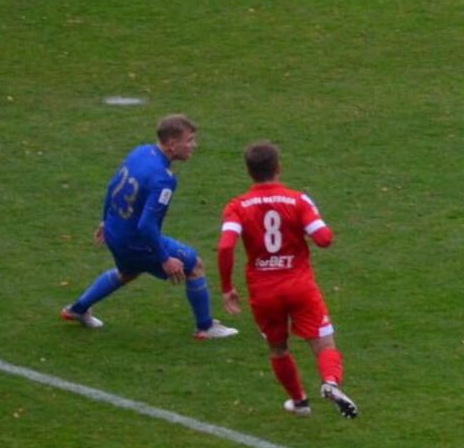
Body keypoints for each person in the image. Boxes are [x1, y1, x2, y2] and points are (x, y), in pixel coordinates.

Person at [60, 114, 240, 340]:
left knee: (127, 272)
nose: (194, 145)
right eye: (189, 140)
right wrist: (165, 258)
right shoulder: (163, 179)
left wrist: (105, 220)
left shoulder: (140, 151)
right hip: (136, 239)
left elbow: (112, 185)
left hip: (116, 231)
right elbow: (147, 225)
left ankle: (77, 309)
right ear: (172, 144)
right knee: (194, 266)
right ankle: (205, 327)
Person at [217, 141, 357, 419]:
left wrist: (227, 288)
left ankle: (299, 402)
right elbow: (324, 239)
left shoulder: (237, 206)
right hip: (299, 286)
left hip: (263, 291)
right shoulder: (298, 200)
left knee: (278, 348)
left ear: (249, 171)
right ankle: (330, 382)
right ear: (278, 167)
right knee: (324, 342)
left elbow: (225, 246)